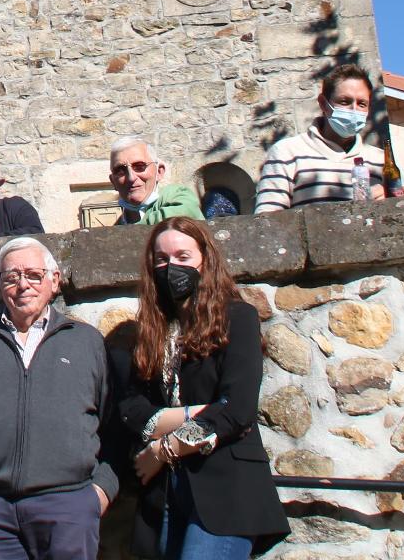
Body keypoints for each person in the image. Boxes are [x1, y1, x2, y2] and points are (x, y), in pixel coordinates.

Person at [108, 218, 287, 559]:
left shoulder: (238, 318)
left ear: (205, 260)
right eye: (161, 259)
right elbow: (133, 411)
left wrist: (163, 449)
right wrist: (200, 412)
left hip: (226, 490)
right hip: (165, 496)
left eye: (182, 256)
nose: (171, 266)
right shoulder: (149, 331)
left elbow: (237, 411)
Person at [0, 238, 118, 560]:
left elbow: (114, 426)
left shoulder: (87, 343)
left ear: (54, 280)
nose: (22, 285)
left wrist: (99, 492)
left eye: (33, 274)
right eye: (11, 277)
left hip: (67, 505)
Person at [253, 64, 386, 212]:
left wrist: (388, 204)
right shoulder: (286, 152)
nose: (354, 110)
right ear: (323, 104)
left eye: (362, 104)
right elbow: (268, 222)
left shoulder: (380, 160)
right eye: (344, 101)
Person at [109, 138, 204, 227]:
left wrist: (125, 232)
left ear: (159, 171)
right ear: (113, 182)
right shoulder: (118, 226)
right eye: (120, 171)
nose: (131, 178)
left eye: (139, 166)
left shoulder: (177, 195)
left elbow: (183, 215)